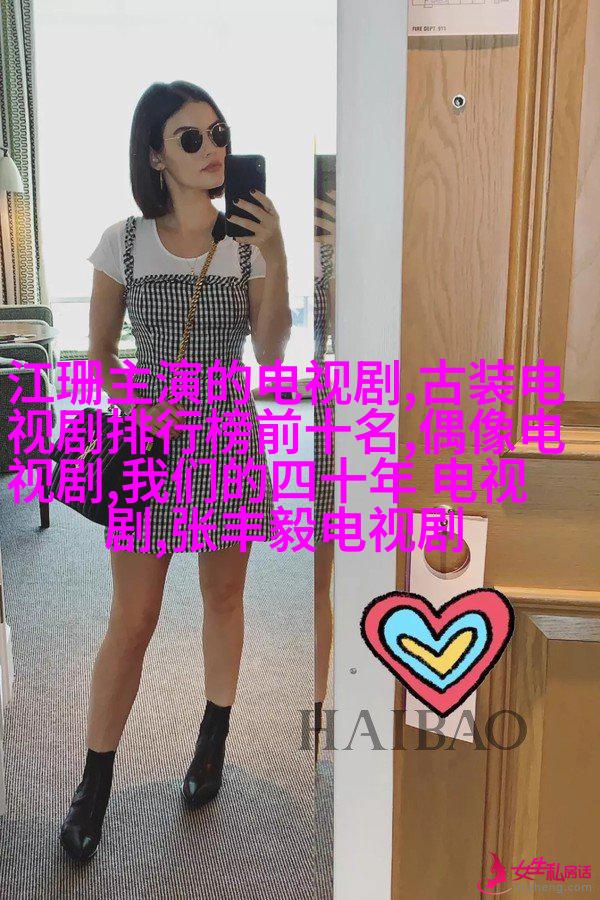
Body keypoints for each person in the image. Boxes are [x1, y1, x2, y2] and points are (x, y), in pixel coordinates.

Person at [59, 80, 291, 862]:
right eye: (190, 138)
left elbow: (270, 353)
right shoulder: (123, 241)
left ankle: (212, 740)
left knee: (223, 597)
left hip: (228, 438)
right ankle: (93, 783)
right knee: (133, 619)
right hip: (149, 449)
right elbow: (98, 356)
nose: (211, 148)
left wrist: (278, 253)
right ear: (156, 155)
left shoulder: (247, 243)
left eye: (218, 132)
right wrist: (137, 402)